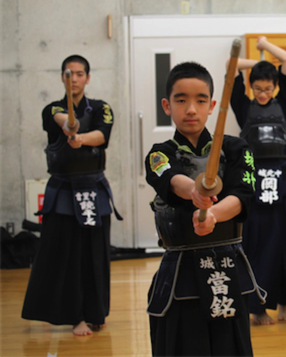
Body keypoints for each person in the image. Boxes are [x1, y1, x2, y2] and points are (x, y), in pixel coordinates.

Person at [145, 61, 264, 356]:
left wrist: (212, 214)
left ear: (212, 106)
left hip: (226, 265)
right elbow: (171, 179)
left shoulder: (238, 149)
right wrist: (195, 192)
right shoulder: (159, 153)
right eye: (181, 99)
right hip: (181, 270)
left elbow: (243, 194)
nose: (191, 109)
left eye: (200, 100)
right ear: (166, 105)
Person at [22, 55, 122, 336]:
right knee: (67, 252)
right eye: (70, 74)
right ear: (63, 78)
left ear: (87, 78)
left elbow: (102, 136)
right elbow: (64, 121)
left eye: (80, 74)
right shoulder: (52, 109)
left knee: (96, 252)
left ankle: (96, 312)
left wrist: (80, 139)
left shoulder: (102, 108)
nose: (75, 78)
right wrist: (71, 127)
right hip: (64, 189)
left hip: (94, 187)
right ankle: (75, 316)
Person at [230, 36, 286, 325]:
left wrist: (265, 45)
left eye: (268, 88)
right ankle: (257, 308)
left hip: (282, 180)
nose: (263, 93)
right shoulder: (243, 107)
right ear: (250, 88)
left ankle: (285, 304)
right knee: (258, 245)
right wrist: (260, 64)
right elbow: (231, 66)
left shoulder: (285, 103)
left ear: (276, 87)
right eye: (257, 88)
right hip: (254, 182)